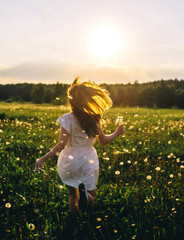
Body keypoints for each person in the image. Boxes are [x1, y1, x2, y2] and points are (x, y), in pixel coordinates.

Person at [35, 76, 125, 218]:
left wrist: (43, 158)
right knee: (91, 197)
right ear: (89, 100)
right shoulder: (94, 118)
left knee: (73, 197)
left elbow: (60, 145)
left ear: (72, 101)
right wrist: (117, 133)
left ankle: (74, 222)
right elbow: (103, 140)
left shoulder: (67, 119)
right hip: (88, 160)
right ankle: (86, 199)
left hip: (69, 160)